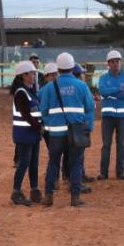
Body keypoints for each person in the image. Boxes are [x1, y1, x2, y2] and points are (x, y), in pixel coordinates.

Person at [39, 52, 95, 208]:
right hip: (76, 132)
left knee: (53, 163)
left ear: (58, 68)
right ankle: (75, 197)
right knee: (76, 163)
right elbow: (90, 108)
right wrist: (88, 127)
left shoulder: (50, 87)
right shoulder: (81, 86)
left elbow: (43, 110)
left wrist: (50, 124)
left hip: (56, 134)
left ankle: (49, 196)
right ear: (72, 68)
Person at [10, 61, 44, 206]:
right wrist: (38, 126)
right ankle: (16, 192)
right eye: (32, 73)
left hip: (32, 133)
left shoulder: (29, 91)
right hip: (25, 134)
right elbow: (26, 114)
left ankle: (34, 190)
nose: (34, 76)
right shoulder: (21, 93)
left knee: (34, 163)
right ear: (23, 75)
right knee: (24, 163)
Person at [98, 50, 124, 180]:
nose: (115, 64)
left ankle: (120, 171)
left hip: (123, 117)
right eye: (112, 62)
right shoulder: (103, 78)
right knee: (106, 144)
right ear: (108, 64)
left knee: (121, 144)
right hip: (108, 116)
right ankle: (103, 172)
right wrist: (118, 89)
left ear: (121, 62)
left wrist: (111, 92)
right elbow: (103, 91)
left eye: (117, 61)